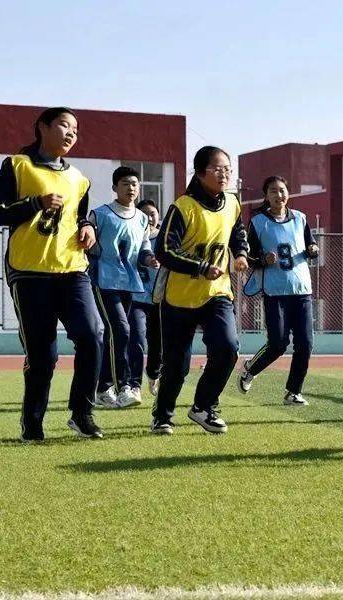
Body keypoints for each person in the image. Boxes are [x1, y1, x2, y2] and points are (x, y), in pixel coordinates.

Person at [0, 107, 104, 441]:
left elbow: (83, 216)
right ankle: (32, 424)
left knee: (93, 335)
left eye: (76, 130)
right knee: (42, 354)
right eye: (64, 126)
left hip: (73, 271)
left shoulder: (80, 179)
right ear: (43, 127)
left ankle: (82, 414)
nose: (71, 133)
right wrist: (34, 203)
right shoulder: (16, 166)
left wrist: (88, 228)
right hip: (29, 273)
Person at [151, 146, 249, 435]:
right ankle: (162, 416)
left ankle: (204, 407)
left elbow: (237, 232)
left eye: (228, 169)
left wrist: (241, 253)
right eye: (218, 169)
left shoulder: (232, 203)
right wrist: (201, 267)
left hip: (217, 293)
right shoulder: (183, 207)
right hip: (179, 298)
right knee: (177, 365)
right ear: (201, 171)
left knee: (227, 348)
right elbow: (165, 250)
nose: (224, 174)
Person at [238, 175, 319, 405]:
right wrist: (263, 259)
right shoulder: (258, 222)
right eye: (273, 191)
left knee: (305, 343)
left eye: (282, 190)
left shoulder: (300, 218)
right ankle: (250, 370)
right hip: (275, 293)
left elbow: (310, 244)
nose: (279, 195)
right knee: (278, 343)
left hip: (302, 290)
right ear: (266, 196)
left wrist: (313, 248)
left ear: (288, 194)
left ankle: (293, 392)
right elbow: (248, 257)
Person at [89, 167, 157, 409]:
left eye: (135, 184)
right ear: (114, 187)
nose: (131, 188)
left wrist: (149, 259)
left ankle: (102, 387)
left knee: (115, 334)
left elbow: (144, 246)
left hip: (129, 282)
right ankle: (125, 387)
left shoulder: (141, 218)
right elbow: (87, 244)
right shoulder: (100, 214)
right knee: (122, 329)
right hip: (104, 281)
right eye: (126, 183)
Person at [127, 198, 163, 398]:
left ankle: (153, 373)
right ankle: (134, 385)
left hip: (160, 299)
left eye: (153, 213)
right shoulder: (132, 237)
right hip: (137, 297)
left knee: (158, 345)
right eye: (145, 214)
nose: (149, 217)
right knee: (137, 339)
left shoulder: (166, 239)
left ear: (159, 216)